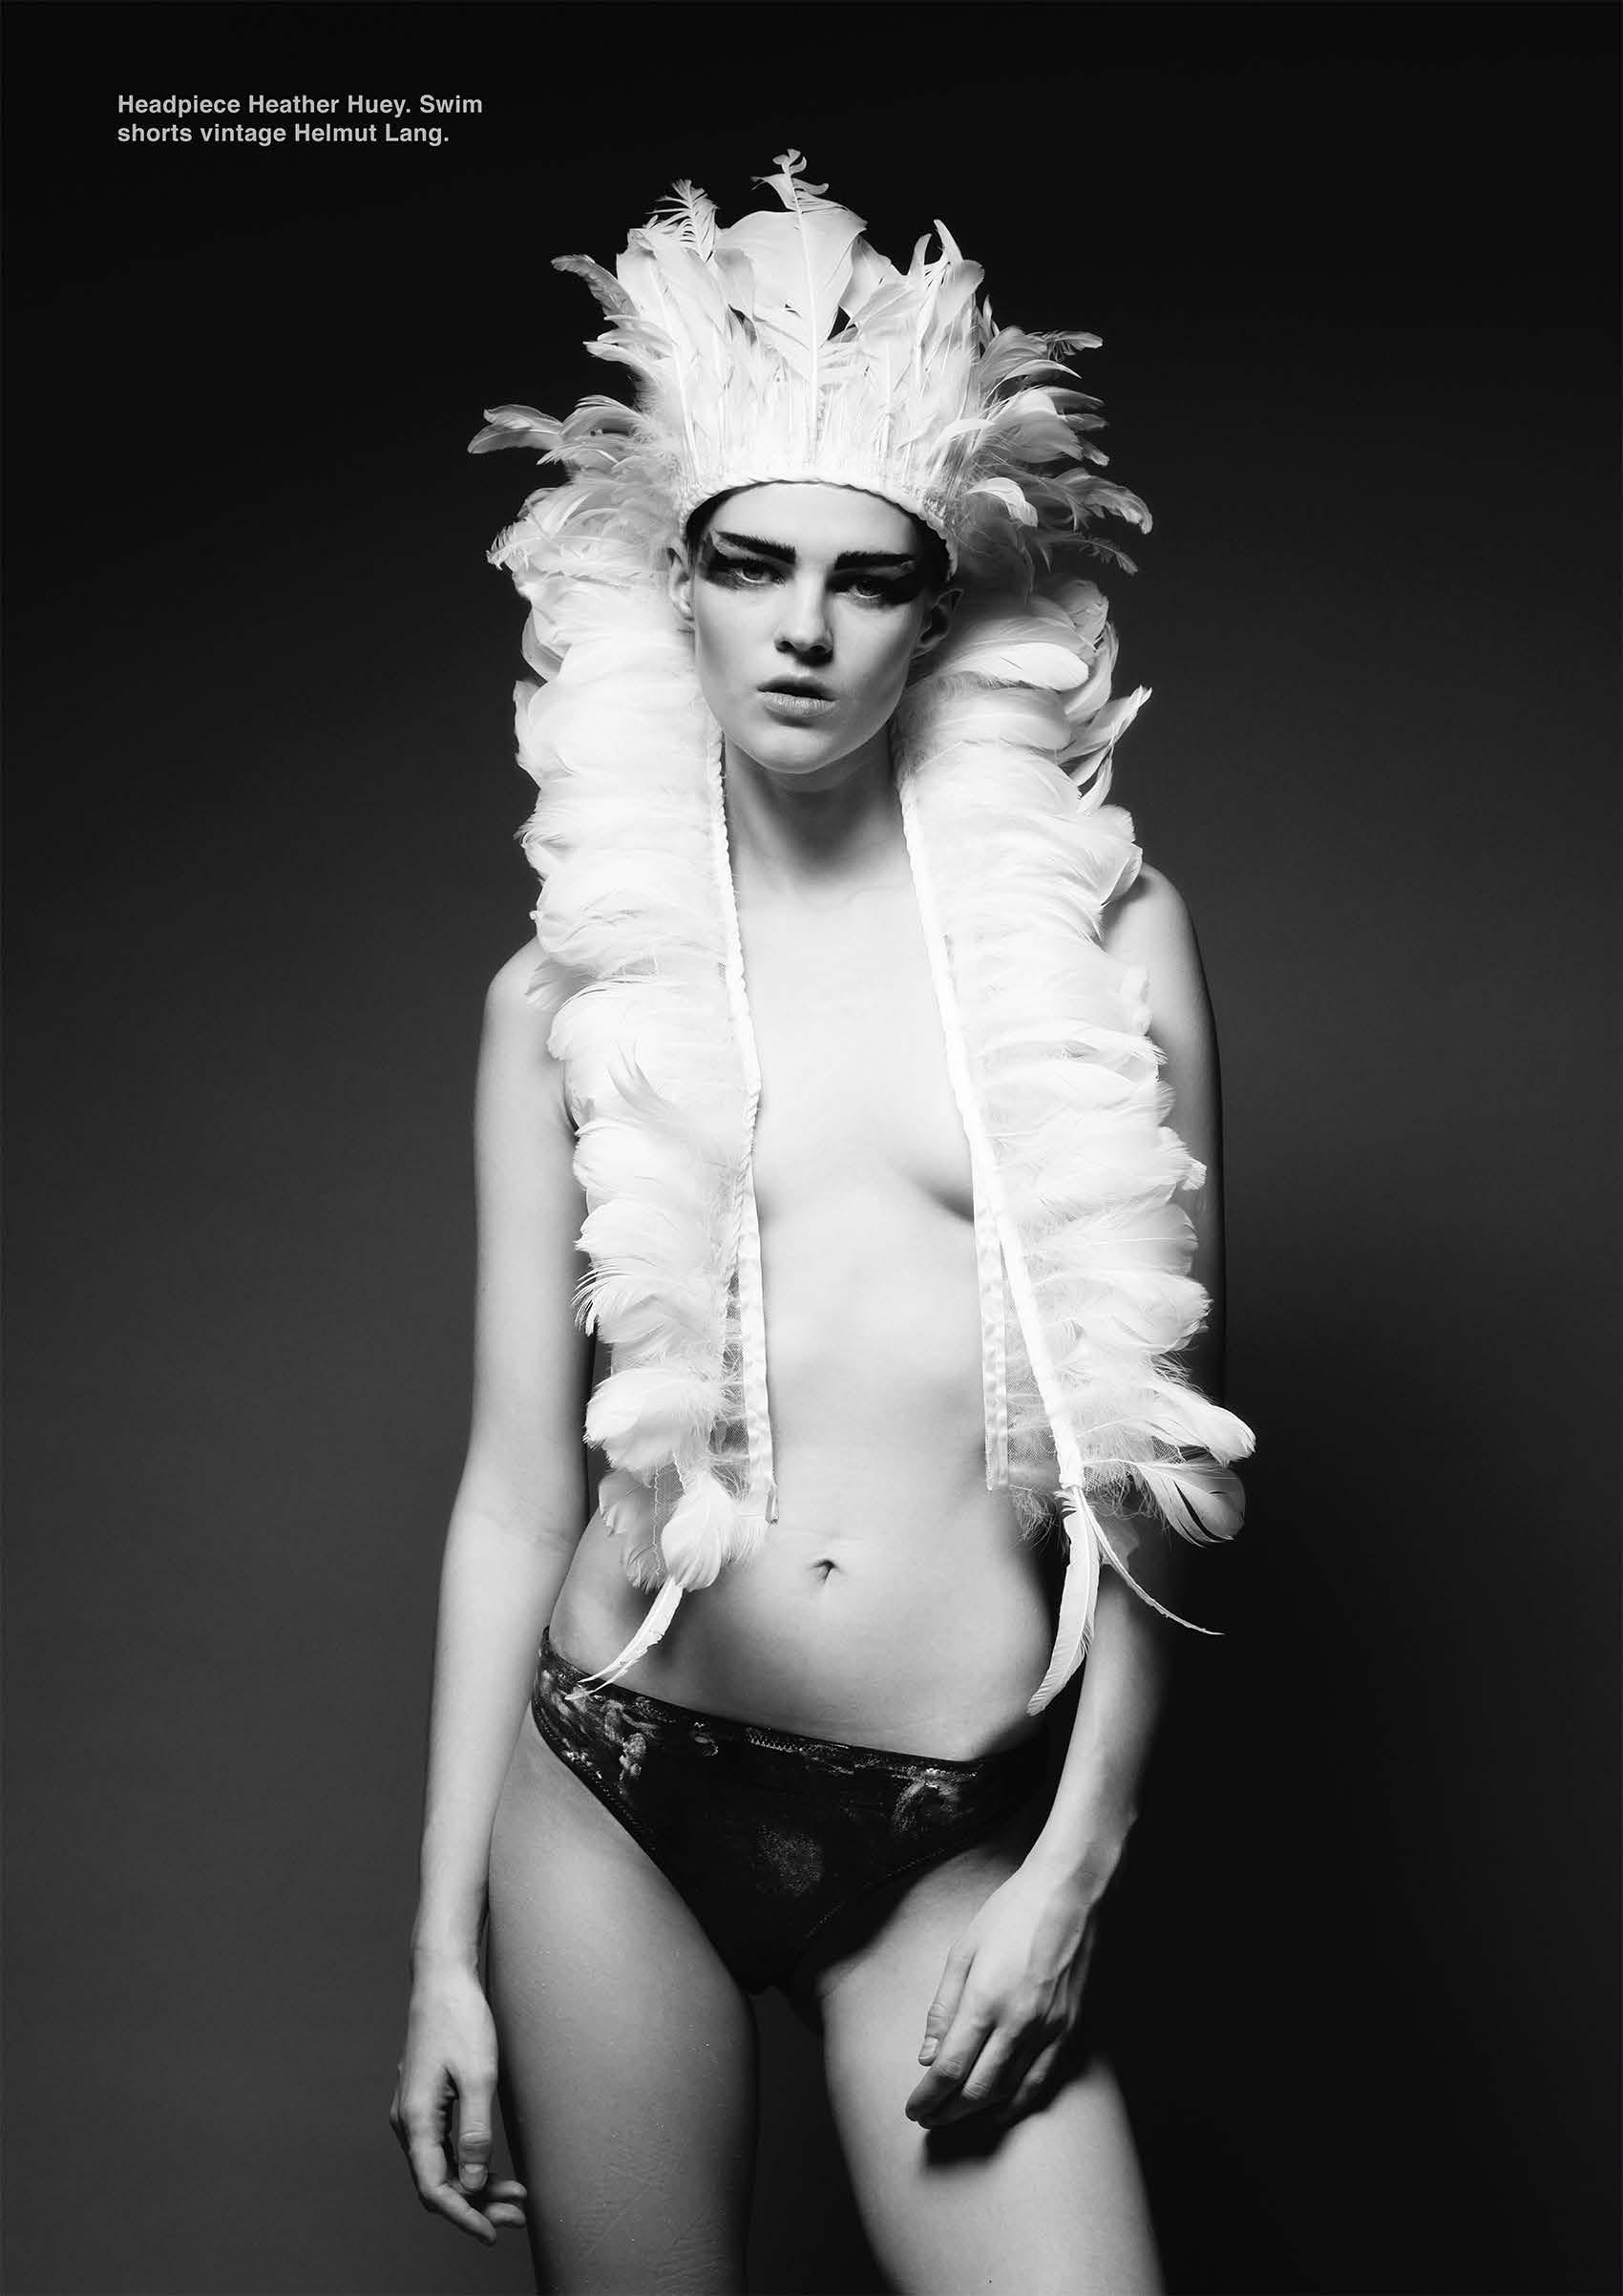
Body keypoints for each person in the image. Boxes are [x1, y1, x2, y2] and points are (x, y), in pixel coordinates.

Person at [391, 152, 1254, 2296]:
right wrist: (441, 1954)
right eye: (750, 565)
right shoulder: (562, 998)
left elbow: (1165, 1464)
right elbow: (514, 1489)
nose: (802, 627)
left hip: (951, 1822)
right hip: (612, 1790)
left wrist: (1074, 1865)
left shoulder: (1100, 941)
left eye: (865, 581)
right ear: (669, 583)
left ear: (937, 611)